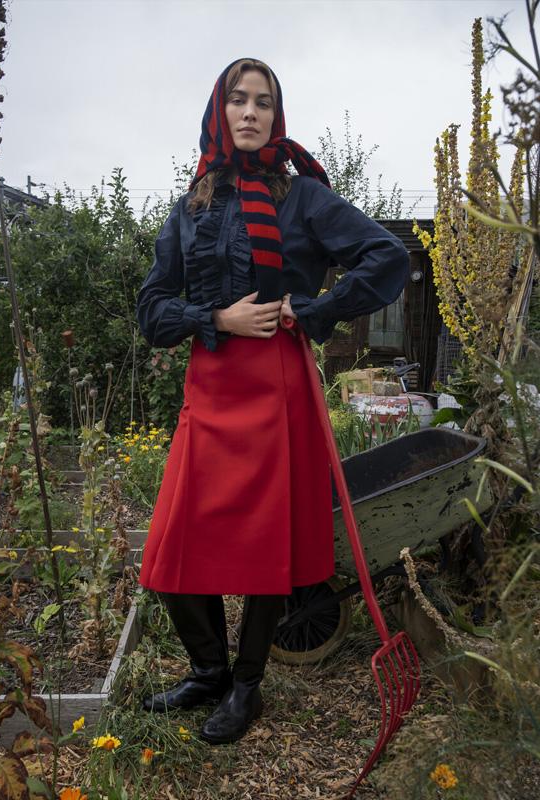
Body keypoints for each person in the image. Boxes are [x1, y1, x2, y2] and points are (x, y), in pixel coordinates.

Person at [135, 57, 409, 745]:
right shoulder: (192, 204)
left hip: (277, 388)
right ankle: (209, 671)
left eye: (263, 102)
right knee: (174, 548)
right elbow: (151, 307)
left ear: (275, 116)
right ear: (219, 112)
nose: (251, 112)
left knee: (265, 548)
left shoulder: (304, 199)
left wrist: (314, 307)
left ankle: (248, 684)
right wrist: (215, 319)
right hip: (212, 385)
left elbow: (387, 258)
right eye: (238, 100)